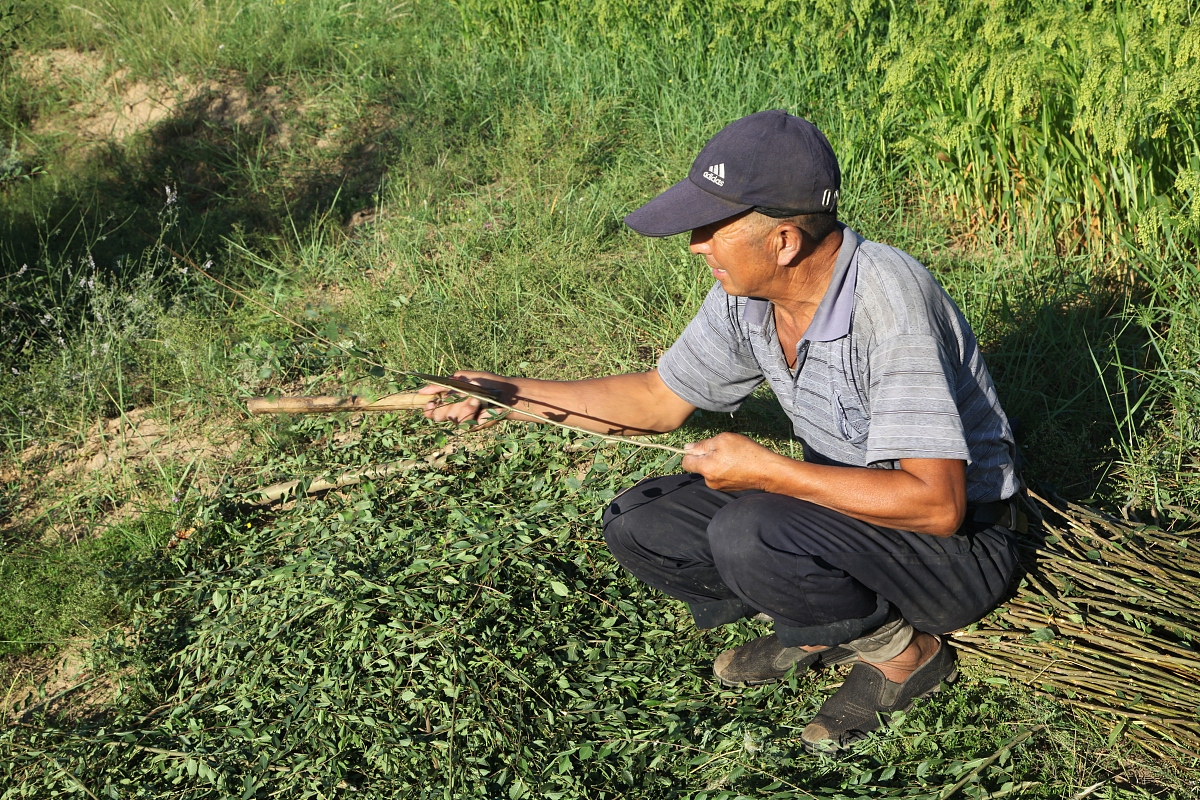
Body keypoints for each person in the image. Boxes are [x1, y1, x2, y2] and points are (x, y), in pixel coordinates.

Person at [419, 110, 1023, 753]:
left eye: (710, 229)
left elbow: (937, 505)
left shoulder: (888, 305)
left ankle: (906, 655)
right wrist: (507, 393)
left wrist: (771, 473)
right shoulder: (749, 294)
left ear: (783, 241)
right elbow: (657, 398)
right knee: (642, 518)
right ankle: (819, 622)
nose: (694, 246)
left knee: (749, 529)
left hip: (963, 549)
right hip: (850, 517)